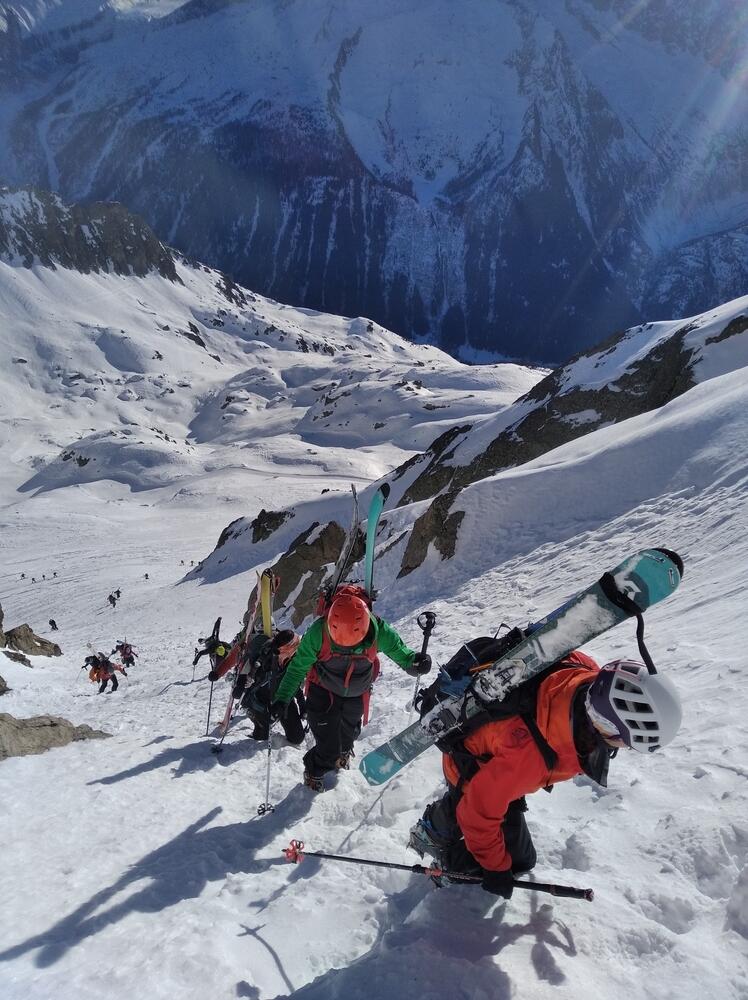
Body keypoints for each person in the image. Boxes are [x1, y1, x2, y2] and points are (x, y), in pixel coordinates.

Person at [409, 653, 683, 898]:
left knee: (497, 813)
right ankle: (444, 855)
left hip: (495, 762)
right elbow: (477, 813)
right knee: (514, 857)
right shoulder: (529, 756)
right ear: (605, 724)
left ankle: (437, 825)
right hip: (468, 766)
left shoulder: (584, 673)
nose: (621, 747)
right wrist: (495, 870)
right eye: (622, 740)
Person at [270, 588, 432, 791]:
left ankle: (342, 753)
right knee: (328, 747)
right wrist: (282, 698)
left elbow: (401, 653)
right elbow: (297, 668)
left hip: (356, 693)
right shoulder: (318, 632)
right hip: (323, 691)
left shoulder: (378, 630)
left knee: (349, 736)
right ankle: (314, 770)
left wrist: (415, 663)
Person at [233, 630, 306, 745]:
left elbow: (293, 683)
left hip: (281, 698)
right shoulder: (264, 656)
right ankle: (258, 721)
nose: (296, 651)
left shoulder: (292, 660)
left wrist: (302, 704)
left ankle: (270, 723)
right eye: (295, 648)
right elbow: (246, 670)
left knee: (297, 738)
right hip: (261, 699)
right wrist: (240, 685)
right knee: (261, 737)